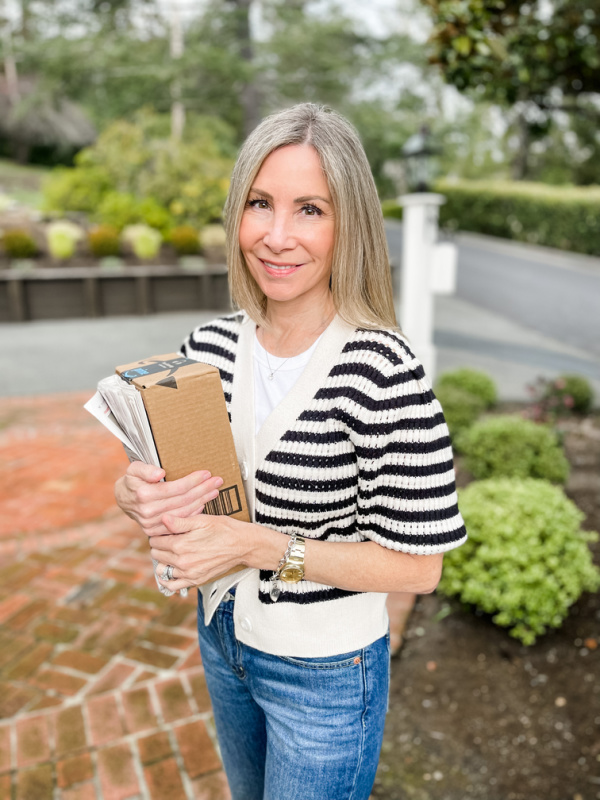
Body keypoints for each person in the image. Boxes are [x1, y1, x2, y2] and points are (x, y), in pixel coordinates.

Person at [114, 103, 467, 800]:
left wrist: (256, 547)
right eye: (260, 203)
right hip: (223, 641)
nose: (277, 236)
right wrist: (136, 494)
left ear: (350, 225)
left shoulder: (383, 373)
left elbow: (420, 568)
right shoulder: (207, 347)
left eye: (310, 209)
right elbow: (188, 488)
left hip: (327, 672)